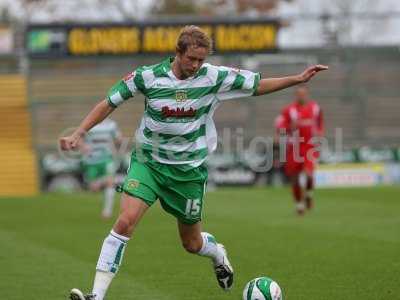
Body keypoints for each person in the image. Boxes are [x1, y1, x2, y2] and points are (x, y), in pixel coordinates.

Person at [60, 26, 328, 300]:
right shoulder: (147, 76)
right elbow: (109, 102)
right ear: (178, 52)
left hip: (187, 171)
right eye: (192, 59)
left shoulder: (213, 76)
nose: (197, 65)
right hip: (148, 163)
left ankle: (217, 254)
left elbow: (257, 85)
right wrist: (80, 131)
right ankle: (97, 295)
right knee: (125, 222)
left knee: (191, 243)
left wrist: (298, 79)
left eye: (202, 60)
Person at [279, 85, 324, 215]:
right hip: (294, 148)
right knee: (295, 178)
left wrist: (320, 134)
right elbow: (281, 128)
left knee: (309, 174)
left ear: (307, 94)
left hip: (309, 146)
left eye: (303, 94)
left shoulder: (315, 108)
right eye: (299, 94)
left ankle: (309, 194)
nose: (301, 96)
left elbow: (320, 124)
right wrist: (289, 127)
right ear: (296, 95)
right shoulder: (289, 110)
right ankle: (299, 204)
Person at [80, 118, 122, 219]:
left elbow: (118, 139)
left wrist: (117, 145)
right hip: (92, 161)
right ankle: (101, 183)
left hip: (107, 158)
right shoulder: (89, 123)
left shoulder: (111, 125)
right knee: (93, 188)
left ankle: (107, 212)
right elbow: (79, 138)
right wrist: (84, 146)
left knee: (110, 182)